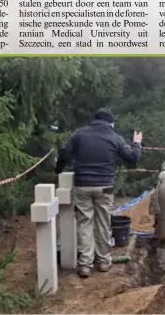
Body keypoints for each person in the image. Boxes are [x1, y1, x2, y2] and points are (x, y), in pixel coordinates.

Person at [54, 108, 142, 278]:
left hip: (82, 185)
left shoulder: (79, 134)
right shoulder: (115, 138)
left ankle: (85, 264)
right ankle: (103, 261)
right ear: (111, 123)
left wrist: (58, 170)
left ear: (93, 120)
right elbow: (133, 159)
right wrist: (137, 143)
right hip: (105, 187)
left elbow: (64, 154)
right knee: (103, 223)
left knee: (84, 224)